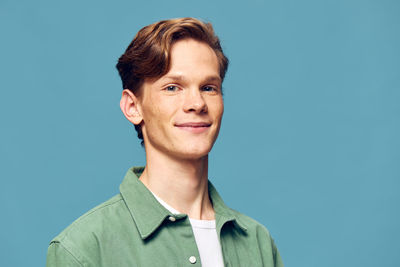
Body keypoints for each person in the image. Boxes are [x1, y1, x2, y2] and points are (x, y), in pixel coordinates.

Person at [46, 17, 283, 267]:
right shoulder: (82, 249)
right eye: (172, 88)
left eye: (209, 88)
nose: (197, 103)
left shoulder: (258, 242)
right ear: (133, 107)